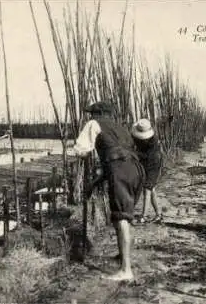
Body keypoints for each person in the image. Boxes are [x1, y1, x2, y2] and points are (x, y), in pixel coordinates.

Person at [73, 102, 144, 281]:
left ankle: (126, 270)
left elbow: (81, 150)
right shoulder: (120, 128)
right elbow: (117, 156)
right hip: (136, 170)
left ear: (98, 114)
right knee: (125, 216)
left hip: (120, 171)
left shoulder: (94, 124)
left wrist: (82, 156)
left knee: (121, 218)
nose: (90, 117)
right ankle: (123, 257)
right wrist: (95, 182)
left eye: (92, 114)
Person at [131, 118, 163, 224]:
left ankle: (143, 216)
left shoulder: (153, 141)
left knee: (147, 189)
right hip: (146, 161)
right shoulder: (137, 136)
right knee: (151, 188)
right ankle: (158, 214)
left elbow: (147, 156)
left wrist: (135, 154)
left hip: (154, 162)